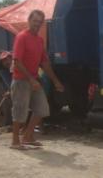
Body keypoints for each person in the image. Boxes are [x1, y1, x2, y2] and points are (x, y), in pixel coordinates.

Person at [11, 9, 64, 150]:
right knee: (20, 111)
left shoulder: (40, 40)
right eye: (35, 21)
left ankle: (28, 137)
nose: (37, 24)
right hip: (22, 80)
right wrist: (31, 79)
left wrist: (55, 81)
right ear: (29, 20)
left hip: (34, 80)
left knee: (42, 109)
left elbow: (44, 63)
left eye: (40, 22)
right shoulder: (22, 37)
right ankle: (15, 141)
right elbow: (17, 61)